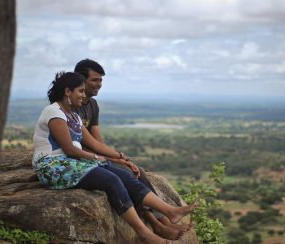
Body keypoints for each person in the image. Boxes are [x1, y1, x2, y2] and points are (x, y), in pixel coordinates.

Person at [32, 72, 198, 244]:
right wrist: (97, 158)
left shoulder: (74, 117)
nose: (83, 95)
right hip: (52, 167)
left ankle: (170, 211)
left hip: (71, 163)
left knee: (124, 175)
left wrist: (120, 157)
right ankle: (144, 234)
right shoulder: (54, 112)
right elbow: (69, 149)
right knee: (111, 180)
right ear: (68, 91)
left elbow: (95, 144)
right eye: (80, 91)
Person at [73, 59, 191, 239]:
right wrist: (116, 158)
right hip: (84, 158)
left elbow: (98, 140)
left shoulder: (92, 105)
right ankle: (156, 223)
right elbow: (89, 144)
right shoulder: (72, 107)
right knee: (125, 175)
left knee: (137, 172)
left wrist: (120, 160)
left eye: (101, 80)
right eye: (95, 80)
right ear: (81, 80)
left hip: (97, 156)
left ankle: (163, 222)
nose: (99, 84)